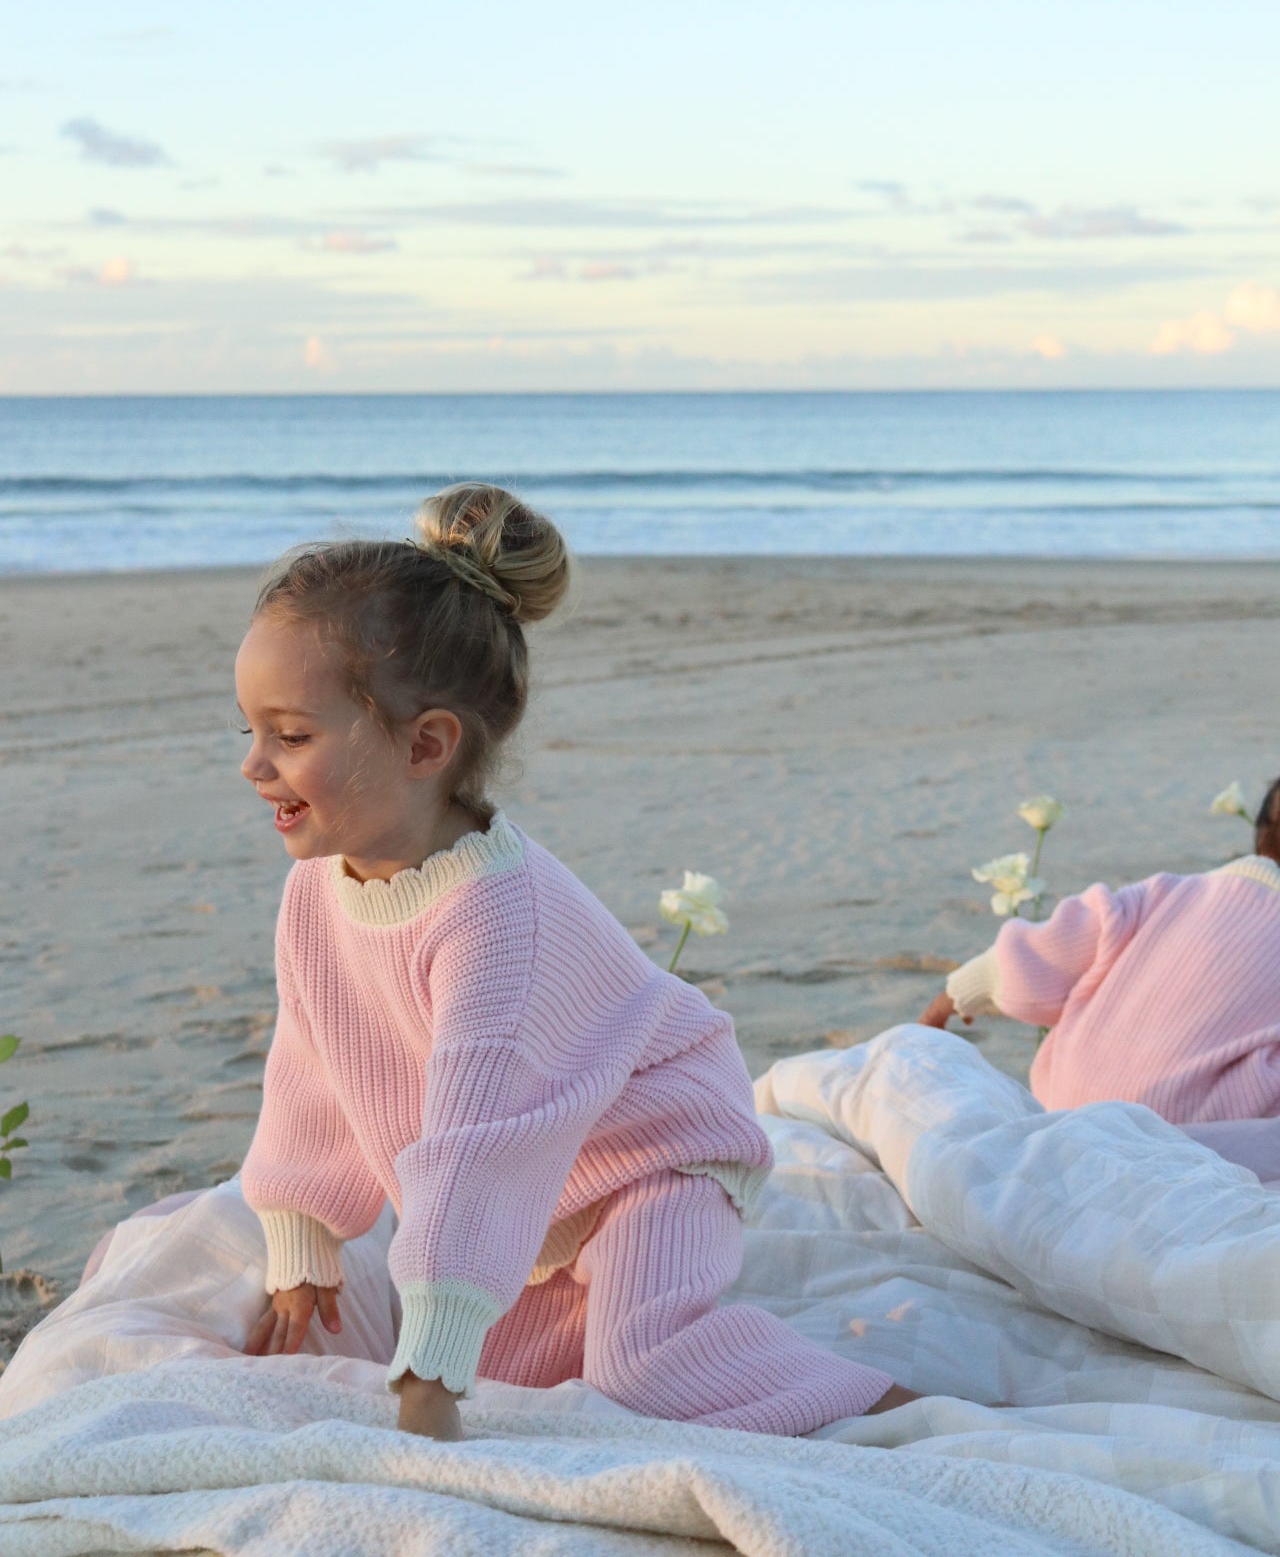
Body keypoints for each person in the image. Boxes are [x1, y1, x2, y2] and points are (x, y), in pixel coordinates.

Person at [237, 483, 913, 1439]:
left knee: (645, 1369)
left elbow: (478, 1146)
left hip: (652, 1151)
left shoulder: (493, 919)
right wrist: (301, 1232)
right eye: (249, 731)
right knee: (526, 1383)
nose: (254, 764)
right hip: (551, 1183)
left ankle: (892, 1410)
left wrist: (429, 1374)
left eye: (291, 737)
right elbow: (313, 1058)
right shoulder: (318, 888)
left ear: (427, 744)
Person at [919, 778, 1280, 1167]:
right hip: (1182, 1134)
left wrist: (954, 997)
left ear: (1258, 834)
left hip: (1067, 1106)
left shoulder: (1170, 892)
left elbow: (1053, 947)